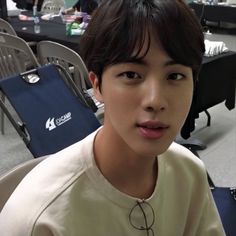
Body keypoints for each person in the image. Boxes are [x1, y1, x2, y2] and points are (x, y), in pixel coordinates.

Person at [0, 0, 225, 235]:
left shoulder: (189, 174)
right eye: (131, 74)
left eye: (175, 76)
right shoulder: (39, 220)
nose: (155, 101)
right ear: (97, 84)